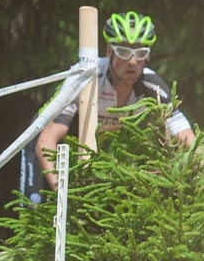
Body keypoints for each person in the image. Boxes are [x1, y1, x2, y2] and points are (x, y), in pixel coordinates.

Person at [36, 11, 195, 187]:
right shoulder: (87, 78)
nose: (133, 61)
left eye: (141, 53)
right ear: (109, 51)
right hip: (50, 149)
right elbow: (46, 141)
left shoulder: (153, 87)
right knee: (33, 203)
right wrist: (61, 190)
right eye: (124, 52)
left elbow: (187, 139)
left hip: (99, 151)